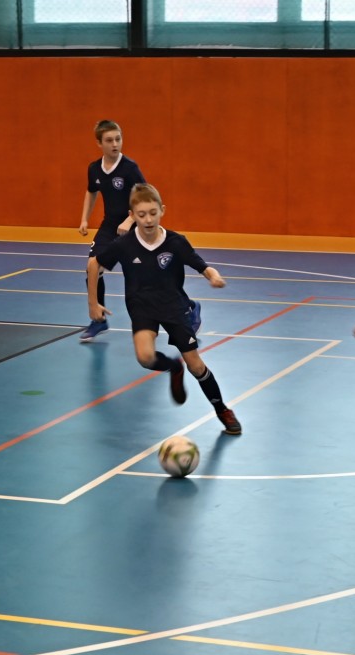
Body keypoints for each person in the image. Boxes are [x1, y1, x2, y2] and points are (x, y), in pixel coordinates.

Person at [87, 183, 241, 436]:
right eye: (141, 214)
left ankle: (222, 409)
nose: (148, 219)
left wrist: (213, 276)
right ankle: (173, 367)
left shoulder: (175, 242)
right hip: (141, 307)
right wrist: (93, 303)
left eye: (152, 213)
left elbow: (203, 266)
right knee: (145, 357)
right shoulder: (124, 244)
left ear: (162, 211)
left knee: (196, 366)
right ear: (132, 215)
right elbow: (94, 265)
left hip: (173, 307)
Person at [77, 120, 200, 342]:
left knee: (153, 275)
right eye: (109, 140)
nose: (115, 144)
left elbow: (147, 197)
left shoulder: (129, 168)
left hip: (135, 225)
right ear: (99, 143)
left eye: (118, 139)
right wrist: (85, 218)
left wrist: (130, 219)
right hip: (109, 226)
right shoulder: (94, 168)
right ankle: (98, 319)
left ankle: (189, 307)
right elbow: (91, 191)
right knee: (92, 268)